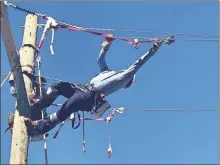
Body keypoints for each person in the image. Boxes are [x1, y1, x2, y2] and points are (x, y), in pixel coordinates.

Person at [7, 35, 174, 137]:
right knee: (58, 87)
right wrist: (106, 44)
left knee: (65, 109)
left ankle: (38, 129)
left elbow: (137, 65)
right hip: (82, 89)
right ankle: (36, 108)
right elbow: (100, 60)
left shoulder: (123, 78)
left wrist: (154, 48)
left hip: (88, 97)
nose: (127, 73)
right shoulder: (108, 73)